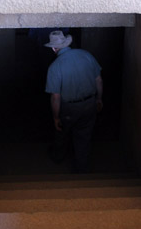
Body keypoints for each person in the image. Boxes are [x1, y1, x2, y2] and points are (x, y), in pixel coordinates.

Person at [44, 30, 103, 173]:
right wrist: (99, 99)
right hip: (89, 104)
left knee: (62, 133)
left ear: (54, 48)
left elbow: (55, 97)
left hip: (69, 109)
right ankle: (81, 169)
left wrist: (56, 117)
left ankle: (57, 158)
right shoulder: (86, 55)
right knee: (84, 137)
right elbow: (99, 80)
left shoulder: (55, 67)